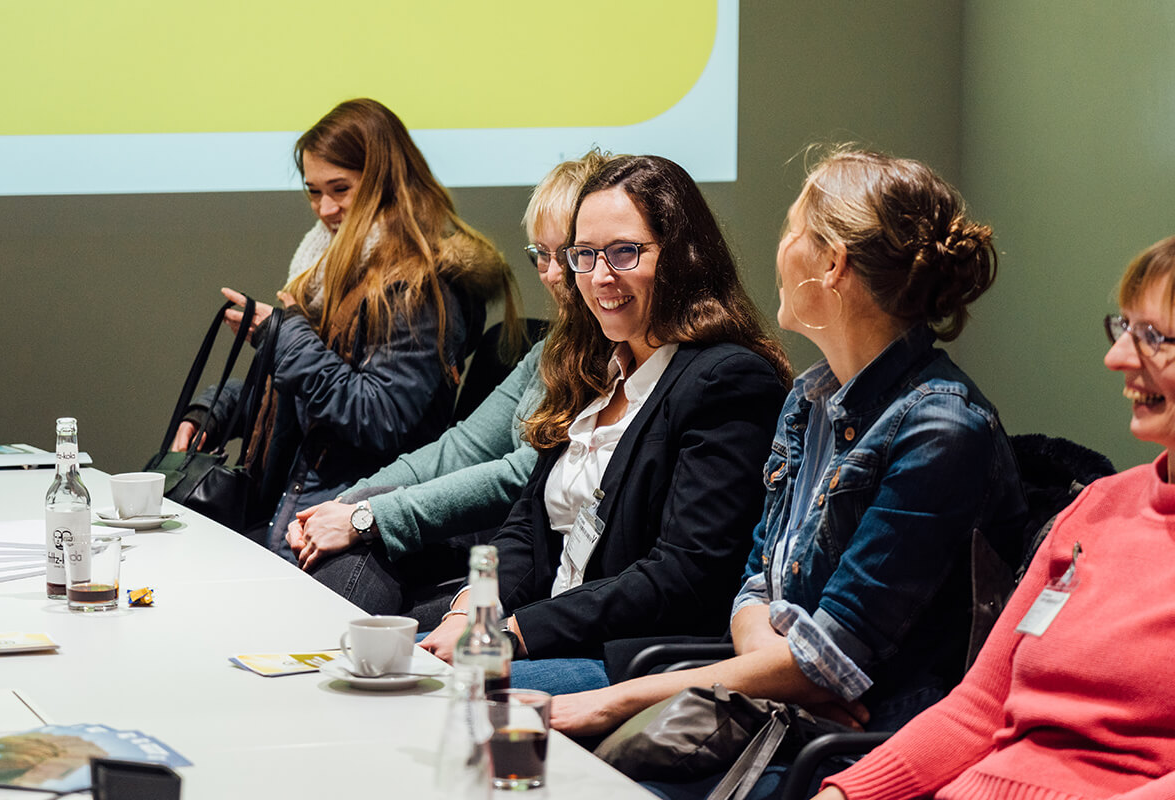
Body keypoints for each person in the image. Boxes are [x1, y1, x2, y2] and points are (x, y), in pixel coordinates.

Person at [549, 148, 1028, 799]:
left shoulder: (941, 430)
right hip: (775, 711)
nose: (779, 249)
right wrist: (784, 665)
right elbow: (755, 590)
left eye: (792, 231)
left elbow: (828, 663)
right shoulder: (809, 400)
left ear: (831, 263)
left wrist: (616, 701)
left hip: (848, 753)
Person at [812, 235, 1175, 800]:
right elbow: (978, 708)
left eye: (1151, 337)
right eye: (1123, 328)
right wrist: (844, 795)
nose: (1117, 357)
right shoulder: (1098, 507)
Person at [419, 155, 794, 695]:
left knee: (440, 696)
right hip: (547, 632)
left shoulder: (727, 379)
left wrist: (512, 631)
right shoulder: (592, 366)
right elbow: (528, 526)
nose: (599, 277)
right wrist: (470, 613)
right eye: (585, 255)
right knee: (390, 672)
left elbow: (684, 576)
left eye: (624, 252)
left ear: (682, 256)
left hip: (632, 659)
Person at [172, 98, 520, 558]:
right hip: (298, 513)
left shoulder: (422, 285)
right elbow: (302, 397)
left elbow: (379, 417)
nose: (325, 208)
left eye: (340, 188)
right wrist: (214, 411)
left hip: (354, 529)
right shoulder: (330, 262)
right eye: (313, 191)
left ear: (385, 182)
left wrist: (285, 337)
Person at [283, 151, 619, 615]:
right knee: (348, 557)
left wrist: (367, 517)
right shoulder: (553, 349)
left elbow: (521, 474)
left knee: (363, 584)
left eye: (568, 254)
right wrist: (347, 502)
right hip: (506, 553)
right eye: (541, 256)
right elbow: (462, 447)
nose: (552, 274)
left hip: (538, 572)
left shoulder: (623, 356)